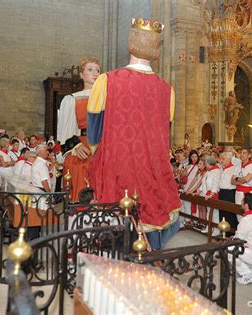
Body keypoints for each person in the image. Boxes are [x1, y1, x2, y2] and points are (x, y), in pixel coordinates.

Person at [86, 18, 181, 249]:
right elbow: (164, 135)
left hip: (117, 173)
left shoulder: (106, 81)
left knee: (118, 239)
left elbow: (94, 134)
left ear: (130, 41)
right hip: (154, 175)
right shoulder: (167, 90)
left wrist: (100, 158)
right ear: (157, 49)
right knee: (150, 242)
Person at [57, 56, 100, 202]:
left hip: (104, 145)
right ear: (81, 75)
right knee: (81, 171)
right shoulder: (72, 99)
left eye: (97, 70)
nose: (95, 73)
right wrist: (74, 145)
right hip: (82, 145)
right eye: (90, 69)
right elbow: (64, 130)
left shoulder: (108, 99)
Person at [198, 156, 221, 234]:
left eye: (205, 163)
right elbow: (203, 182)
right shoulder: (209, 171)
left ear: (208, 163)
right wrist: (199, 191)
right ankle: (209, 227)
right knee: (209, 212)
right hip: (206, 193)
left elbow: (216, 184)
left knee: (214, 213)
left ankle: (216, 230)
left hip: (213, 194)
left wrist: (212, 194)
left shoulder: (217, 171)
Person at [218, 151, 237, 231]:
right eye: (221, 159)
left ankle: (231, 233)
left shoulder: (234, 169)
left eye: (223, 159)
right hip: (222, 192)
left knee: (229, 214)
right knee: (222, 213)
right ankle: (223, 231)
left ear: (229, 159)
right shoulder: (222, 168)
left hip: (229, 193)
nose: (221, 161)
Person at [180, 150, 199, 226]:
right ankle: (187, 220)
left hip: (195, 187)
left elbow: (197, 179)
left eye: (195, 156)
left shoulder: (199, 166)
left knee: (195, 205)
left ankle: (195, 221)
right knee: (186, 204)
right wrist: (183, 170)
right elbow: (182, 176)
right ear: (190, 158)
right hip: (187, 186)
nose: (194, 158)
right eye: (192, 157)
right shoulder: (187, 166)